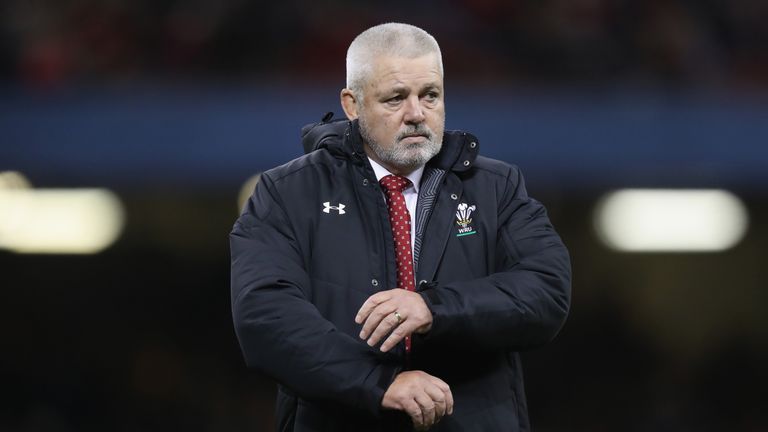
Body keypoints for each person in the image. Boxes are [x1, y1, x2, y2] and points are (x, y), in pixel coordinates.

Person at [230, 22, 571, 432]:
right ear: (352, 104)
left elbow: (546, 290)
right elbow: (264, 315)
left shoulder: (496, 188)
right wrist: (377, 383)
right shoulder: (287, 193)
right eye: (396, 98)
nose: (416, 114)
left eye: (430, 95)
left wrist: (434, 307)